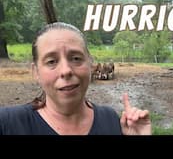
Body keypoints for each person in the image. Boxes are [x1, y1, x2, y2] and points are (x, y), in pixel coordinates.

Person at [0, 22, 151, 135]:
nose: (66, 70)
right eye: (51, 61)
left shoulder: (111, 120)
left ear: (91, 65)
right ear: (36, 72)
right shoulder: (7, 123)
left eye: (76, 58)